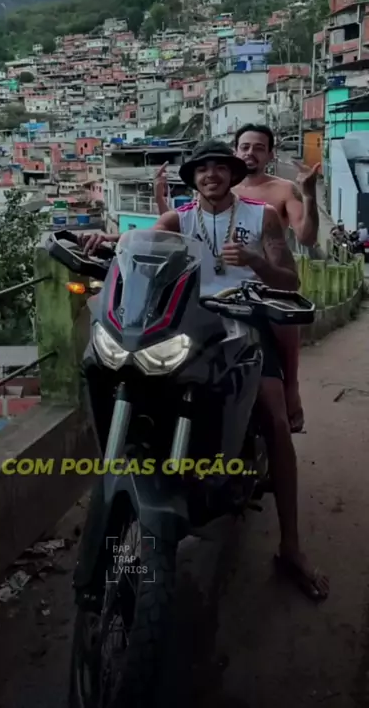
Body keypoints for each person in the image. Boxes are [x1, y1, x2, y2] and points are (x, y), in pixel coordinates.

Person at [83, 141, 329, 601]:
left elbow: (290, 281)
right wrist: (103, 240)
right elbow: (135, 243)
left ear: (232, 175)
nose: (211, 174)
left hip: (247, 322)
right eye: (202, 169)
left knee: (275, 418)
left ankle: (291, 547)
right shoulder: (178, 219)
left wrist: (255, 262)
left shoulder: (262, 217)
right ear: (193, 178)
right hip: (189, 323)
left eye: (220, 167)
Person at [154, 124, 321, 434]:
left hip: (254, 305)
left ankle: (291, 389)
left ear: (269, 154)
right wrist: (103, 240)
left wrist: (309, 195)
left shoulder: (274, 200)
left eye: (258, 148)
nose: (211, 175)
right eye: (245, 147)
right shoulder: (186, 211)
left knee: (275, 409)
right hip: (195, 316)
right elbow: (151, 238)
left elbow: (304, 243)